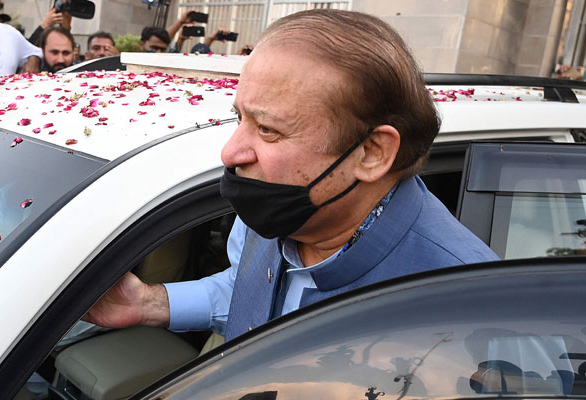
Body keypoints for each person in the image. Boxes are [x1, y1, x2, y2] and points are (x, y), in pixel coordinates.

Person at [83, 10, 499, 343]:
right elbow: (252, 294)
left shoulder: (471, 312)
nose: (230, 152)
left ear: (371, 153)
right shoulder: (275, 213)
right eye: (239, 117)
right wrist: (151, 302)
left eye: (268, 130)